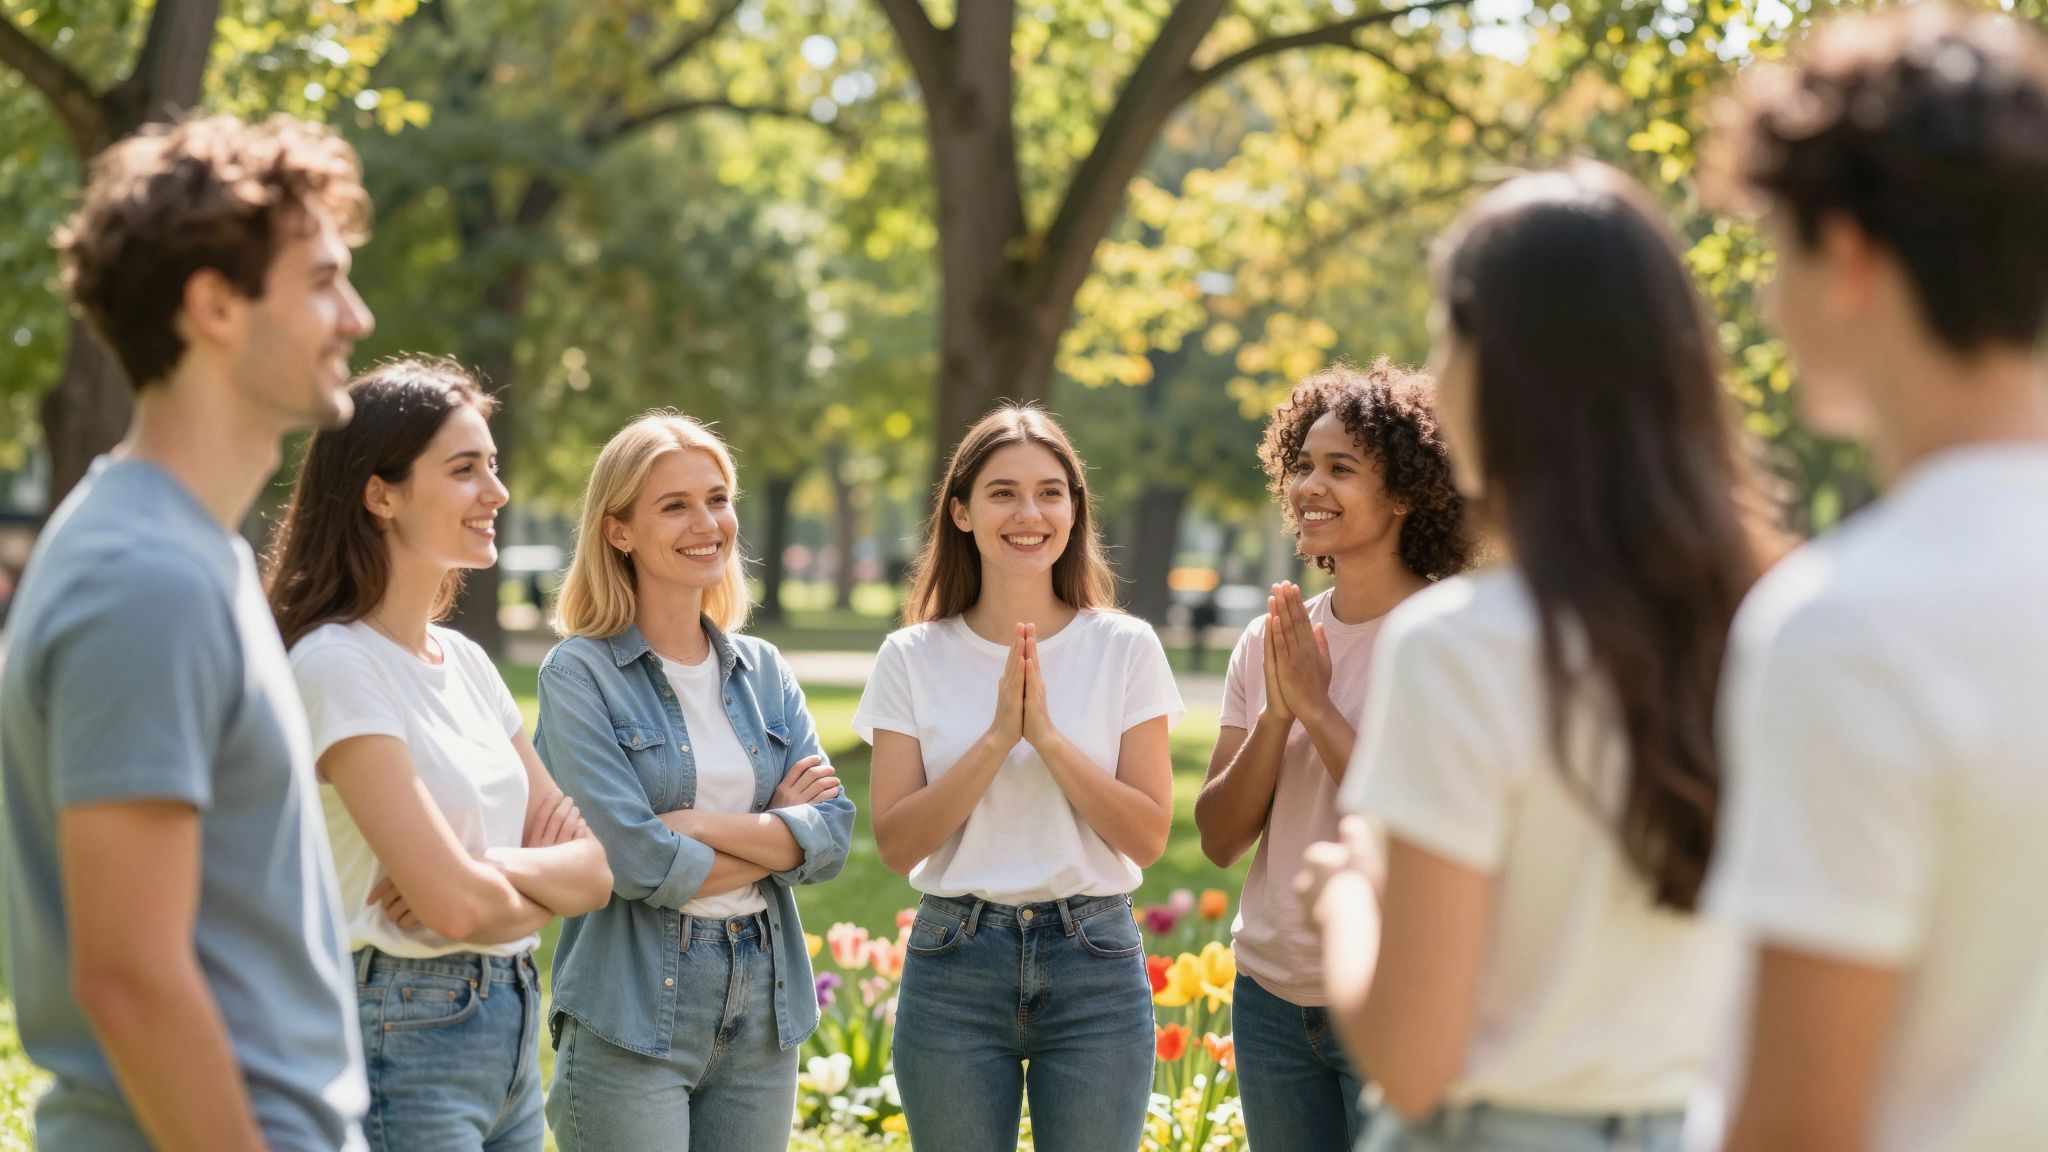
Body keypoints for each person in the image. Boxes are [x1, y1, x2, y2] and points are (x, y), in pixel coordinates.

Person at [1298, 162, 1769, 1152]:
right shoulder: (1762, 627)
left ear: (1492, 367)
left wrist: (1344, 895)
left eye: (1444, 334)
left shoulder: (1464, 644)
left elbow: (1409, 1056)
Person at [1701, 9, 2048, 1151]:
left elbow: (1793, 1127)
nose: (1765, 306)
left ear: (1846, 256)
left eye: (1774, 254)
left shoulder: (1846, 626)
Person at [0, 114, 374, 1151]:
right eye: (320, 281)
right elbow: (129, 977)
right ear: (214, 304)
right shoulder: (144, 580)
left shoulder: (188, 553)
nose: (355, 313)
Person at [265, 357, 614, 1151]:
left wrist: (475, 870)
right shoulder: (334, 664)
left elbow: (595, 872)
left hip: (512, 1025)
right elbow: (458, 908)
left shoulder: (467, 663)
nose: (497, 492)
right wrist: (504, 882)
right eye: (465, 470)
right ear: (379, 493)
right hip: (402, 1027)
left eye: (492, 466)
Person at [856, 404, 1184, 1152]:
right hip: (954, 961)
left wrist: (1050, 741)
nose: (1028, 512)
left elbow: (1149, 834)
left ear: (1074, 510)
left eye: (1050, 491)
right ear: (963, 512)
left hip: (1094, 958)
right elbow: (898, 844)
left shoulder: (1125, 647)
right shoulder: (911, 656)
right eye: (1002, 492)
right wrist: (1000, 737)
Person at [535, 411, 854, 1151]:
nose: (706, 522)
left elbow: (834, 836)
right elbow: (633, 860)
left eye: (717, 498)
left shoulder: (763, 670)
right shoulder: (579, 675)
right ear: (619, 531)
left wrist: (694, 825)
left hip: (763, 1007)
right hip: (632, 1007)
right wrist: (779, 833)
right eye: (674, 505)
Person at [1195, 360, 1470, 1151]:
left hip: (1393, 995)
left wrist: (1314, 707)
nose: (1309, 485)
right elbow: (1218, 840)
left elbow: (1418, 828)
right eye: (1302, 465)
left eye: (1340, 469)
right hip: (1270, 1000)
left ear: (1409, 492)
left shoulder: (1447, 639)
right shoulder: (1270, 637)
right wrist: (1277, 715)